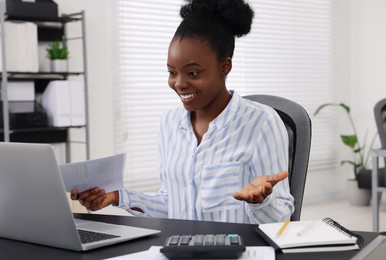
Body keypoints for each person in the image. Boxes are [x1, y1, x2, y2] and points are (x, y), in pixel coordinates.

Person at [71, 0, 294, 224]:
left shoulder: (261, 122)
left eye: (193, 73)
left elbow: (282, 215)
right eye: (172, 72)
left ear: (224, 67)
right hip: (182, 249)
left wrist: (261, 201)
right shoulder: (169, 123)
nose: (179, 84)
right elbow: (173, 205)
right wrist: (117, 197)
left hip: (237, 251)